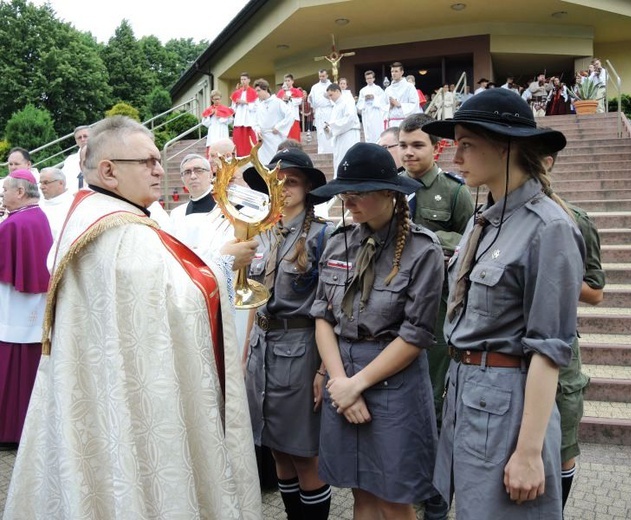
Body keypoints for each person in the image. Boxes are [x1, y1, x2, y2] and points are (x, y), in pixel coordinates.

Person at [3, 116, 262, 519]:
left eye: (159, 160)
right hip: (128, 400)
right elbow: (177, 299)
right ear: (109, 170)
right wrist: (225, 263)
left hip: (101, 388)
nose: (161, 169)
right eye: (148, 161)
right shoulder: (119, 232)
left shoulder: (95, 215)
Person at [422, 88, 585, 519]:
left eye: (467, 145)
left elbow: (550, 350)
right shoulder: (489, 220)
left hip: (508, 405)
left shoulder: (547, 227)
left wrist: (529, 452)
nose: (456, 158)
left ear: (506, 145)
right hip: (468, 395)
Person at [309, 142, 444, 520]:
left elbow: (416, 335)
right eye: (343, 193)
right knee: (361, 493)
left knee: (393, 497)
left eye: (358, 193)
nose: (347, 202)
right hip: (343, 373)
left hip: (392, 383)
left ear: (390, 193)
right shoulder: (338, 240)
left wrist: (357, 385)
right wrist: (340, 383)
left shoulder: (422, 250)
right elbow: (322, 316)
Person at [243, 148, 334, 520]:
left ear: (309, 187)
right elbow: (254, 296)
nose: (284, 186)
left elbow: (329, 307)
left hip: (300, 351)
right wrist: (246, 350)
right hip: (263, 349)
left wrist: (323, 370)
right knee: (276, 447)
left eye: (292, 180)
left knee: (304, 453)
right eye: (276, 180)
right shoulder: (261, 233)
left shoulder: (323, 235)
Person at [399, 113, 475, 520]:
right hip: (394, 314)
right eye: (404, 145)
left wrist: (428, 237)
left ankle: (437, 495)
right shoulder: (391, 187)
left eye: (418, 145)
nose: (409, 153)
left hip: (436, 314)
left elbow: (471, 244)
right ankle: (408, 480)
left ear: (436, 148)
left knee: (434, 405)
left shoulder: (454, 192)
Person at [543, 153, 606, 512]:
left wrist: (555, 270)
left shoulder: (574, 219)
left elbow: (596, 292)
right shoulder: (493, 218)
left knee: (563, 447)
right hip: (507, 352)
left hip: (560, 348)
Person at [0, 169, 52, 450]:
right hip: (31, 307)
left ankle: (8, 430)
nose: (3, 195)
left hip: (12, 308)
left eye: (5, 190)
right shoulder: (38, 216)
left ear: (20, 192)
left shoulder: (14, 225)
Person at [253, 79, 295, 166]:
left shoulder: (278, 102)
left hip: (275, 137)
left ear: (265, 89)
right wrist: (257, 130)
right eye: (256, 91)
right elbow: (255, 122)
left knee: (276, 161)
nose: (257, 93)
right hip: (263, 140)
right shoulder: (259, 106)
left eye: (258, 90)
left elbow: (290, 116)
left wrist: (279, 127)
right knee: (264, 163)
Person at [325, 83, 361, 178]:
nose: (330, 98)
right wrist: (328, 128)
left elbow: (350, 118)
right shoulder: (336, 106)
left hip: (349, 134)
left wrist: (332, 127)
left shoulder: (347, 101)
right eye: (329, 96)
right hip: (340, 135)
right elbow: (334, 123)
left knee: (347, 158)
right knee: (339, 159)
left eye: (331, 95)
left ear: (337, 91)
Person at [38, 167, 73, 240]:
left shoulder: (72, 205)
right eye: (41, 183)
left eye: (46, 183)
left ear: (60, 183)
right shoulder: (39, 205)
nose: (41, 187)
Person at [384, 62, 421, 128]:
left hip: (405, 122)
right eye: (392, 71)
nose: (393, 73)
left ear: (402, 72)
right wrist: (390, 106)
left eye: (396, 71)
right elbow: (383, 106)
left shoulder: (409, 87)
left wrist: (399, 104)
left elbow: (415, 104)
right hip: (392, 122)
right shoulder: (388, 89)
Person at [231, 72, 259, 157]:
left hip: (249, 119)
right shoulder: (236, 93)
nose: (243, 81)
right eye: (241, 79)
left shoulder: (254, 92)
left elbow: (256, 106)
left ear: (249, 80)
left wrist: (246, 102)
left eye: (244, 79)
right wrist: (236, 103)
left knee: (250, 140)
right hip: (239, 119)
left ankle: (251, 155)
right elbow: (233, 108)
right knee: (238, 140)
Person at [357, 70, 388, 144]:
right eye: (367, 78)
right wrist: (365, 99)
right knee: (368, 132)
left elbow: (384, 101)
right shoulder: (363, 90)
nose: (369, 80)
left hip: (376, 112)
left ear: (374, 79)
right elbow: (359, 104)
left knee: (377, 130)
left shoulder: (378, 89)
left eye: (370, 78)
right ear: (365, 79)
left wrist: (374, 98)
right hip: (367, 113)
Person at [308, 69, 334, 154]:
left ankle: (331, 149)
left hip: (329, 110)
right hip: (319, 111)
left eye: (323, 76)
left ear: (327, 75)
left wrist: (329, 98)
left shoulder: (332, 86)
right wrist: (311, 99)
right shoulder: (315, 87)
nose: (321, 78)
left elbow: (336, 100)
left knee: (329, 129)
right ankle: (322, 150)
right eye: (320, 76)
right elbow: (311, 100)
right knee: (320, 132)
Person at [202, 89, 234, 154]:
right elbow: (205, 123)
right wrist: (210, 116)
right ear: (212, 99)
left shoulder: (225, 109)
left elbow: (230, 120)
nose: (217, 101)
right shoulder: (209, 110)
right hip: (213, 132)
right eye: (215, 99)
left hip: (222, 131)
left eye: (218, 99)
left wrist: (220, 117)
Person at [61, 125, 90, 193]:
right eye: (79, 138)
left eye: (85, 136)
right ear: (76, 141)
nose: (82, 139)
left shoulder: (102, 156)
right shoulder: (69, 160)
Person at [279, 74, 305, 141]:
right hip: (283, 118)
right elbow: (277, 103)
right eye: (285, 81)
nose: (287, 82)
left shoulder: (296, 91)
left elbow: (299, 101)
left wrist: (290, 98)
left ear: (292, 81)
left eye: (288, 80)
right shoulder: (281, 92)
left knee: (294, 137)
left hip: (294, 116)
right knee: (285, 137)